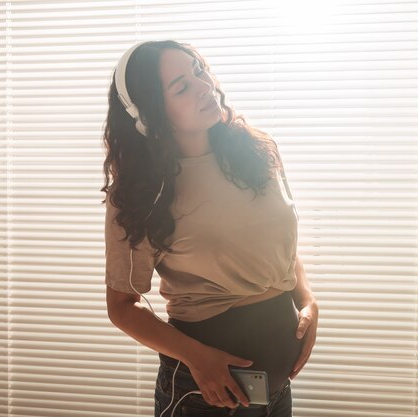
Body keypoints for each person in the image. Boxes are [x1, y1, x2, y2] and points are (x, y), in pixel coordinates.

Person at [101, 40, 319, 417]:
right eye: (181, 86)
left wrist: (307, 303)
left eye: (198, 71)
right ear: (151, 113)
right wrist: (198, 359)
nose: (204, 86)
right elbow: (122, 307)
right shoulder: (142, 192)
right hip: (204, 393)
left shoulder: (259, 149)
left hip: (276, 388)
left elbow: (278, 241)